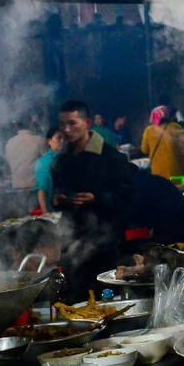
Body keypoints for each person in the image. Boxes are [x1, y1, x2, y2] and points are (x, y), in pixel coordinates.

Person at [51, 100, 134, 302]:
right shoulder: (61, 160)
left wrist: (96, 199)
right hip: (72, 243)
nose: (66, 130)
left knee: (106, 303)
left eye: (72, 123)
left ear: (87, 122)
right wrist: (59, 200)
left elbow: (126, 196)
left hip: (104, 245)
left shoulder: (111, 158)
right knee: (73, 302)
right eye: (62, 125)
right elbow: (58, 192)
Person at [5, 113, 47, 213]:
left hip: (17, 189)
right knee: (36, 221)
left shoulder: (9, 143)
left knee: (23, 222)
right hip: (35, 189)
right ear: (32, 123)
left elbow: (7, 163)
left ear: (16, 125)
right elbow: (47, 163)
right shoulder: (39, 141)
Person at [140, 106, 184, 180]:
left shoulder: (148, 131)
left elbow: (144, 150)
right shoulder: (174, 127)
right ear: (167, 115)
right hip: (175, 171)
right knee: (176, 190)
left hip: (157, 173)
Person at [33, 126, 65, 216]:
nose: (62, 141)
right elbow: (42, 190)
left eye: (64, 138)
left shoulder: (69, 158)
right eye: (59, 138)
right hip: (53, 211)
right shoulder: (43, 162)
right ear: (49, 141)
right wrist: (46, 215)